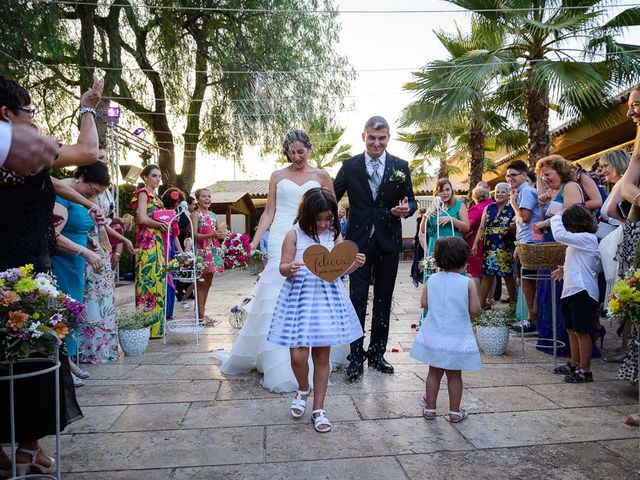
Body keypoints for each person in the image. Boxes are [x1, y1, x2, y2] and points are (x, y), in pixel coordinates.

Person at [213, 130, 335, 392]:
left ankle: (311, 357)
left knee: (310, 292)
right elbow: (269, 212)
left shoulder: (322, 176)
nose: (296, 157)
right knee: (275, 295)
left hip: (312, 236)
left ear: (309, 149)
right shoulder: (277, 176)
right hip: (282, 233)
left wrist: (337, 245)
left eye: (301, 151)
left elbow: (332, 211)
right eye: (291, 152)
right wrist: (253, 243)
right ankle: (275, 361)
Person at [267, 188, 365, 432]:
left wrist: (353, 266)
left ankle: (319, 409)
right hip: (299, 299)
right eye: (318, 219)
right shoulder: (294, 234)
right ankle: (303, 388)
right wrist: (290, 268)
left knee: (322, 356)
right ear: (306, 214)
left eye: (328, 219)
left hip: (326, 300)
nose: (323, 224)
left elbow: (338, 272)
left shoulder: (334, 234)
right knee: (298, 355)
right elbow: (282, 266)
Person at [334, 116, 417, 381]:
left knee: (383, 297)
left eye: (382, 138)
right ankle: (356, 355)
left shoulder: (400, 166)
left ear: (388, 138)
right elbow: (329, 196)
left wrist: (407, 210)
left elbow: (412, 201)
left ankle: (378, 354)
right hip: (357, 243)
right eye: (372, 138)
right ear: (364, 137)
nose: (376, 143)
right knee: (357, 297)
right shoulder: (349, 166)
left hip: (388, 241)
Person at [410, 236, 482, 423]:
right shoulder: (467, 282)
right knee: (454, 375)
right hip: (456, 336)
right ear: (464, 259)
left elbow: (424, 303)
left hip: (434, 335)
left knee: (433, 372)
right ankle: (454, 412)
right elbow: (475, 310)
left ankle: (430, 409)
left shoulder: (432, 279)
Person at [52, 162, 109, 385]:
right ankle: (64, 364)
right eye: (93, 190)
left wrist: (90, 241)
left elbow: (76, 228)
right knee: (61, 312)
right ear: (81, 177)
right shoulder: (62, 196)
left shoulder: (79, 197)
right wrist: (84, 251)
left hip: (76, 261)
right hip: (62, 262)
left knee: (72, 311)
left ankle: (67, 361)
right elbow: (53, 235)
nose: (93, 196)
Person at [549, 205, 599, 382]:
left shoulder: (587, 238)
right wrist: (565, 268)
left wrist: (556, 215)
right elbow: (580, 260)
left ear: (574, 224)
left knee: (581, 331)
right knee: (571, 329)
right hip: (571, 290)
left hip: (583, 291)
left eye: (566, 224)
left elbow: (559, 235)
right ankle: (574, 363)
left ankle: (585, 370)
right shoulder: (579, 240)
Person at [131, 165, 168, 338]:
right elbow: (142, 217)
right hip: (147, 243)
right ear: (145, 177)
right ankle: (147, 328)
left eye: (159, 176)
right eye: (154, 176)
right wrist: (158, 224)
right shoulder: (143, 193)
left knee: (158, 281)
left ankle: (157, 328)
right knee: (147, 281)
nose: (157, 179)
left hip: (158, 242)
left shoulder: (157, 197)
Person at [507, 160, 543, 332]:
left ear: (523, 175)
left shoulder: (527, 191)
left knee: (528, 279)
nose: (510, 178)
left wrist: (513, 203)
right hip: (524, 241)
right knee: (523, 279)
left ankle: (532, 319)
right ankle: (531, 317)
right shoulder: (521, 191)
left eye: (513, 175)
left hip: (531, 242)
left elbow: (525, 218)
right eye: (508, 176)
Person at [471, 182, 517, 308]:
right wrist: (475, 244)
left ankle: (513, 307)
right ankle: (480, 306)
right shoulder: (489, 208)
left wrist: (510, 229)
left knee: (507, 275)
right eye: (497, 192)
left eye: (503, 192)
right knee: (487, 274)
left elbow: (518, 226)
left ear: (509, 194)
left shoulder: (513, 208)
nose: (499, 194)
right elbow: (481, 227)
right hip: (490, 244)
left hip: (506, 244)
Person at [191, 187, 225, 324]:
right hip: (201, 252)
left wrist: (224, 233)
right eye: (204, 196)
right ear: (198, 199)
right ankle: (199, 317)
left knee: (208, 283)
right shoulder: (195, 215)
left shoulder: (213, 215)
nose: (207, 199)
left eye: (209, 196)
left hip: (213, 251)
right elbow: (194, 236)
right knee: (201, 284)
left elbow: (219, 233)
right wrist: (212, 235)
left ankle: (202, 314)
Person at [419, 178, 470, 256]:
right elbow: (423, 230)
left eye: (447, 189)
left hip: (453, 244)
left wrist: (451, 219)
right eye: (441, 191)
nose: (445, 193)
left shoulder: (459, 204)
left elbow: (466, 227)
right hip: (435, 245)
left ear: (451, 190)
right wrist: (425, 217)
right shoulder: (432, 207)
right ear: (437, 193)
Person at [161, 187, 185, 320]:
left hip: (171, 246)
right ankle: (166, 311)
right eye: (177, 202)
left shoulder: (175, 214)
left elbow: (175, 235)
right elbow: (174, 235)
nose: (177, 204)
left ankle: (168, 311)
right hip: (164, 245)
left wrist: (181, 252)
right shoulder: (166, 213)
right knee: (168, 276)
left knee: (172, 277)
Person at [466, 185, 493, 293]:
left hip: (477, 242)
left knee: (475, 272)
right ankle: (489, 299)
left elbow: (468, 225)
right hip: (491, 241)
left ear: (473, 196)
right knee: (489, 273)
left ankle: (477, 299)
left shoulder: (477, 208)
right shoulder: (493, 205)